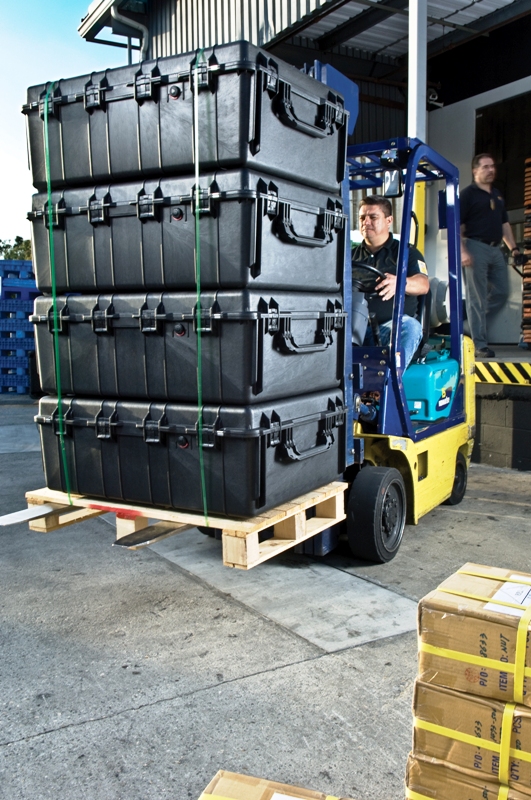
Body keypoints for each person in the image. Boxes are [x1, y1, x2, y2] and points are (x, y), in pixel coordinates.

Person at [351, 195, 429, 369]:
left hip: (388, 328)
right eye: (362, 218)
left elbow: (423, 285)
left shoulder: (407, 253)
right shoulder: (349, 256)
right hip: (353, 326)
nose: (366, 222)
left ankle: (391, 380)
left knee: (411, 327)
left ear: (389, 220)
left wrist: (400, 283)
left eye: (373, 217)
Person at [460, 153, 521, 359]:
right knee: (476, 297)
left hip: (496, 250)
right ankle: (479, 344)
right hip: (475, 246)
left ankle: (471, 325)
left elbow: (505, 225)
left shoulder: (497, 195)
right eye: (485, 167)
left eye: (492, 166)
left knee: (502, 292)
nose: (490, 170)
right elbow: (456, 225)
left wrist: (514, 249)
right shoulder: (468, 195)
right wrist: (462, 250)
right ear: (475, 171)